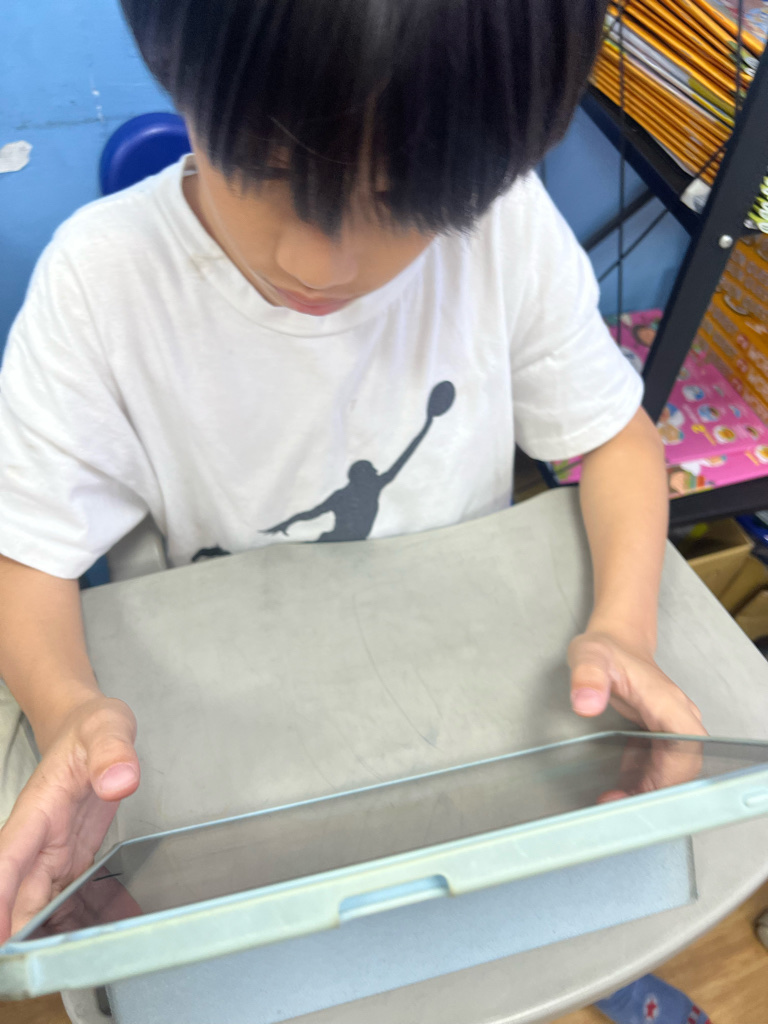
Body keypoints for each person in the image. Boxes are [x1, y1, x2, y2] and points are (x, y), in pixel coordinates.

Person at [0, 0, 706, 978]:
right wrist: (66, 708)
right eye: (267, 168)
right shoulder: (101, 281)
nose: (317, 262)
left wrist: (624, 627)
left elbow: (619, 442)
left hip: (461, 721)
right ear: (174, 65)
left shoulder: (502, 227)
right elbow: (27, 555)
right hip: (230, 760)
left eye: (398, 199)